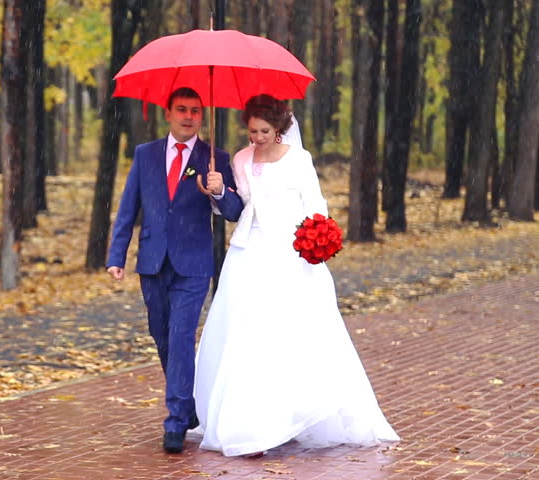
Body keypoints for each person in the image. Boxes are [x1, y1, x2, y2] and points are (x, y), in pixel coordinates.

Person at [193, 94, 400, 457]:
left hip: (290, 256)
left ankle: (289, 414)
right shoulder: (240, 160)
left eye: (264, 131)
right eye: (252, 130)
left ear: (280, 129)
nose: (256, 137)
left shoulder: (298, 161)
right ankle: (248, 425)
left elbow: (316, 205)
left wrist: (316, 238)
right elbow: (238, 209)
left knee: (287, 336)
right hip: (248, 256)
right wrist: (219, 190)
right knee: (245, 335)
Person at [106, 87, 244, 454]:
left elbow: (234, 211)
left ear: (202, 116)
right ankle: (187, 405)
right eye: (181, 110)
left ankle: (176, 421)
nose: (188, 116)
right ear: (168, 113)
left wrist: (218, 191)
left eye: (195, 111)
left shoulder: (215, 157)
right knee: (161, 335)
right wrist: (116, 255)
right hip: (152, 260)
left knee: (182, 335)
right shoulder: (145, 154)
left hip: (193, 264)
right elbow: (127, 207)